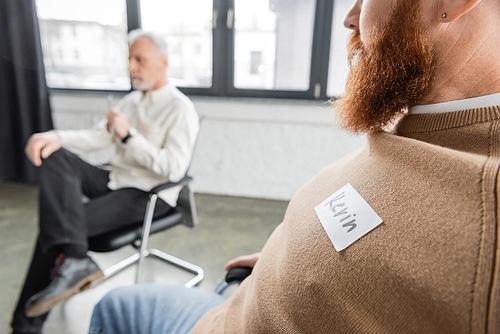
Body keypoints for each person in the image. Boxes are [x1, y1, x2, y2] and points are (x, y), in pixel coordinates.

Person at [90, 0, 500, 333]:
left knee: (116, 306)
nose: (350, 17)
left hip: (220, 318)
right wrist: (283, 257)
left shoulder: (485, 235)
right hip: (249, 286)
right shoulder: (424, 122)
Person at [10, 29, 199, 334]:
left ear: (163, 63)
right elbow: (97, 137)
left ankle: (24, 325)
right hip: (114, 178)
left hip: (148, 192)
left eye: (139, 59)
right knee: (56, 156)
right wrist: (55, 137)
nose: (131, 67)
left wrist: (128, 136)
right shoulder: (131, 101)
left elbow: (174, 169)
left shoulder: (180, 108)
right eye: (129, 59)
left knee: (56, 229)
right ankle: (76, 260)